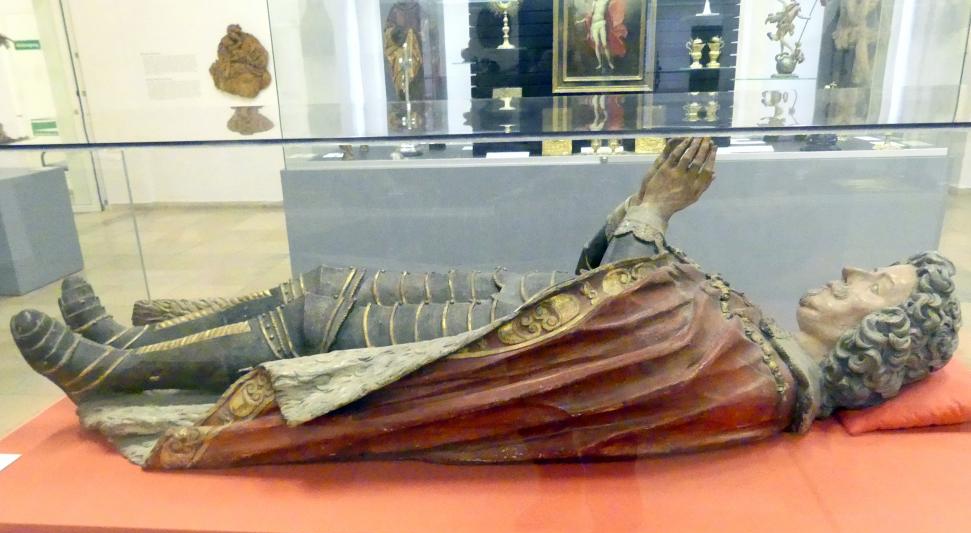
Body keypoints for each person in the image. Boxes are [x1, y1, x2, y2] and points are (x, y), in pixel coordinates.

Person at [10, 138, 960, 469]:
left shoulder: (757, 384)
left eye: (873, 285)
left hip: (488, 355)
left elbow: (634, 323)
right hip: (515, 314)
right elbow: (628, 290)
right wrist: (645, 217)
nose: (849, 271)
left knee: (315, 329)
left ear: (880, 336)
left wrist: (656, 210)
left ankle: (115, 372)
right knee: (321, 292)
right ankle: (136, 338)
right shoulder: (758, 345)